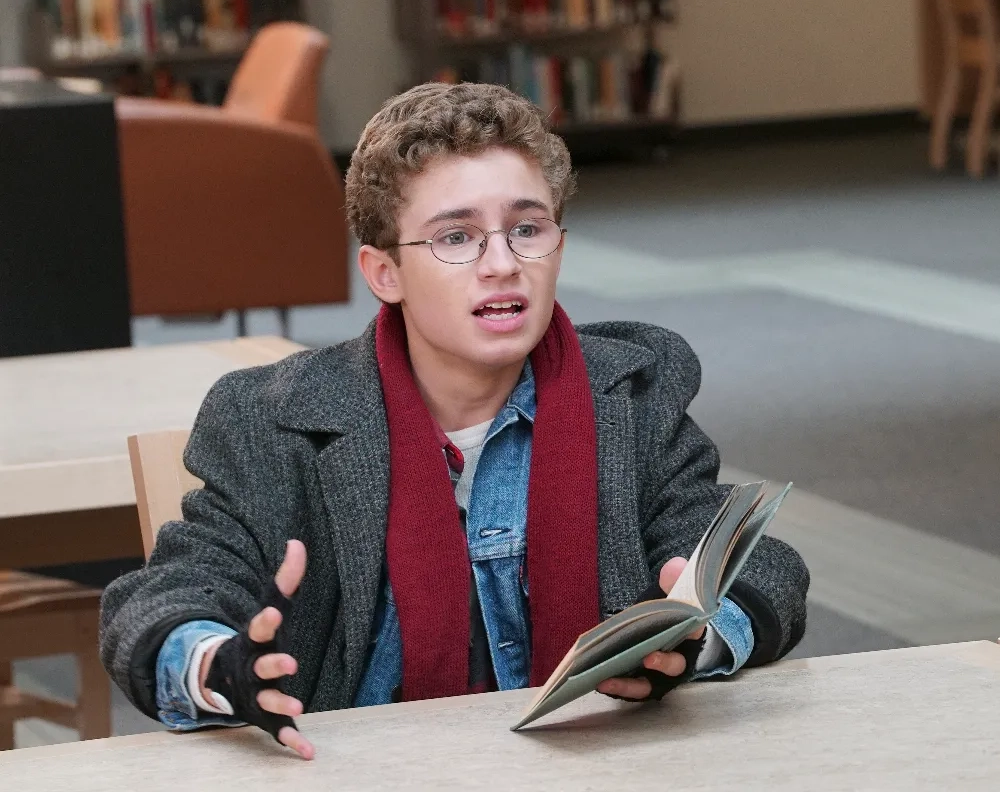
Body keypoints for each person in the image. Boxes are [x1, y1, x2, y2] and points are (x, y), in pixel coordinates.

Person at [99, 82, 809, 761]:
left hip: (597, 769)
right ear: (384, 274)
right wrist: (222, 668)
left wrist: (694, 640)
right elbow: (166, 598)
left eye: (526, 228)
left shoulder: (631, 394)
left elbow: (766, 569)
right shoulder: (274, 422)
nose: (502, 264)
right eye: (456, 237)